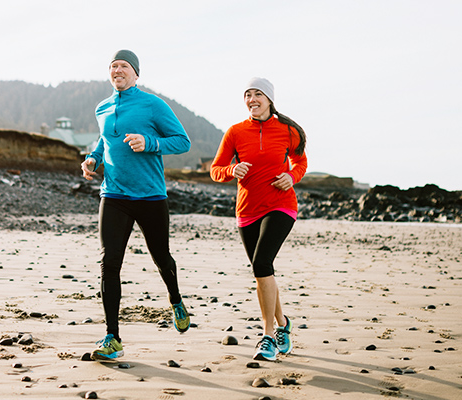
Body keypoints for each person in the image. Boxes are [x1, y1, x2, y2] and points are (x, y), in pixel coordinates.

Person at [81, 49, 192, 360]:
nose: (117, 70)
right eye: (113, 66)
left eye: (124, 66)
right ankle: (112, 337)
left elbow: (182, 141)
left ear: (136, 73)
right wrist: (93, 158)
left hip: (150, 196)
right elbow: (105, 139)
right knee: (108, 262)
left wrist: (150, 143)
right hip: (113, 195)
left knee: (161, 258)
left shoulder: (153, 104)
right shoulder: (102, 107)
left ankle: (175, 299)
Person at [209, 77, 307, 361]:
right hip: (247, 210)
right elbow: (216, 169)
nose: (252, 99)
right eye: (248, 95)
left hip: (280, 205)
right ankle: (283, 324)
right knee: (264, 271)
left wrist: (291, 176)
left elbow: (301, 163)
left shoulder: (288, 131)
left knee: (262, 264)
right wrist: (232, 170)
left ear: (269, 99)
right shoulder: (235, 132)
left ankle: (267, 337)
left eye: (258, 94)